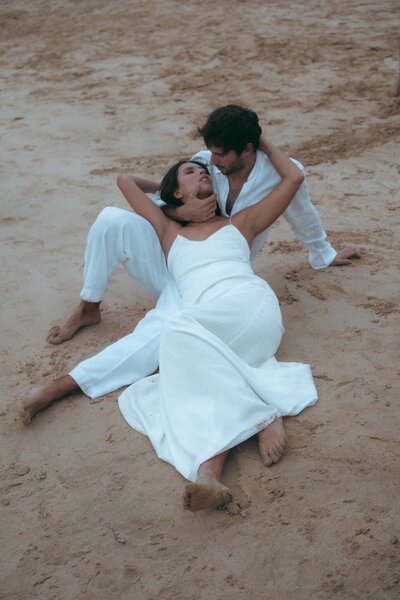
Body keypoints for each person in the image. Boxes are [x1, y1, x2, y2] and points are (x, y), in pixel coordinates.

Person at [23, 142, 318, 511]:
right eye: (191, 172)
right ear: (176, 192)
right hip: (202, 322)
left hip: (248, 307)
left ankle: (258, 418)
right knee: (191, 368)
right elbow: (125, 180)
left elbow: (293, 176)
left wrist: (256, 140)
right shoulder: (167, 230)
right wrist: (172, 201)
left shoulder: (241, 222)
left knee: (178, 335)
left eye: (206, 171)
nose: (203, 172)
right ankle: (210, 473)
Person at [40, 106, 359, 406]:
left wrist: (323, 253)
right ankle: (88, 306)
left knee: (163, 329)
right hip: (176, 255)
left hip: (218, 274)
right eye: (211, 152)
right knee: (111, 219)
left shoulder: (279, 173)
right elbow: (166, 202)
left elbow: (301, 212)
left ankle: (72, 383)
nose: (212, 160)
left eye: (221, 153)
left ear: (247, 149)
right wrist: (180, 206)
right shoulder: (205, 163)